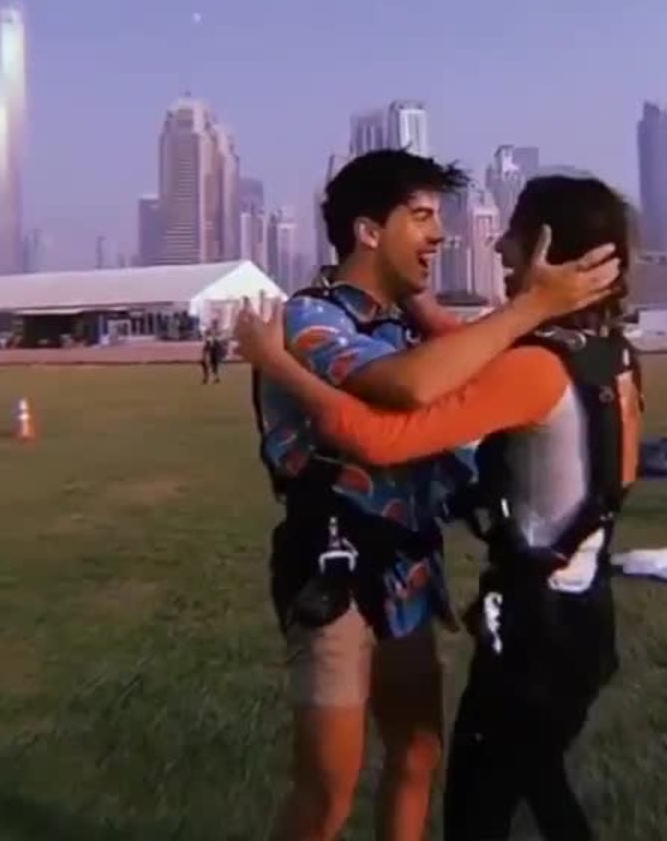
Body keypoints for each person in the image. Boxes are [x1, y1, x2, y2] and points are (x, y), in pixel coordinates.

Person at [239, 175, 643, 840]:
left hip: (527, 623)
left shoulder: (534, 363)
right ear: (370, 231)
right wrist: (454, 307)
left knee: (480, 793)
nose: (452, 236)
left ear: (548, 247)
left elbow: (389, 423)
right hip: (546, 610)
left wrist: (275, 364)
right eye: (423, 215)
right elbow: (458, 361)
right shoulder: (607, 353)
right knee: (522, 784)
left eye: (510, 235)